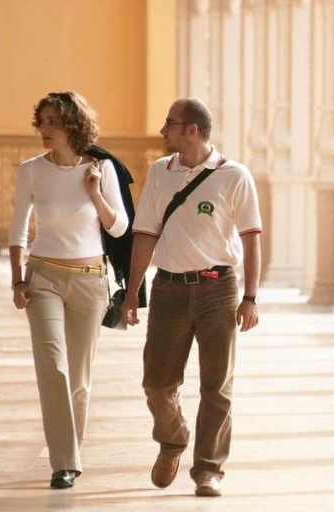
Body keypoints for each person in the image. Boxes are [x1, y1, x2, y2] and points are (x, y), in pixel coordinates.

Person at [120, 97, 261, 498]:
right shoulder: (160, 173)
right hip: (168, 290)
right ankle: (172, 439)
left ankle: (209, 469)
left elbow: (251, 241)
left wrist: (250, 297)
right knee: (157, 384)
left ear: (192, 130)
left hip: (219, 290)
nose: (163, 131)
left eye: (170, 123)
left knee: (217, 386)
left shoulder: (235, 176)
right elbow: (145, 232)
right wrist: (132, 292)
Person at [8, 91, 129, 489]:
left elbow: (118, 227)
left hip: (91, 281)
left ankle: (69, 455)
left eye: (52, 122)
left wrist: (94, 191)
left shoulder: (101, 169)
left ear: (73, 126)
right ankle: (64, 461)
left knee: (79, 377)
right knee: (53, 367)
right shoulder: (30, 171)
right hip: (42, 278)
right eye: (41, 121)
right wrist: (17, 279)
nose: (44, 129)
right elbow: (18, 229)